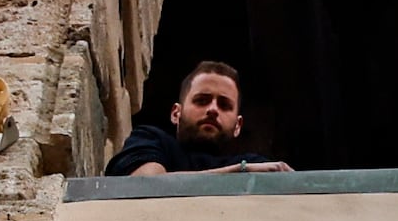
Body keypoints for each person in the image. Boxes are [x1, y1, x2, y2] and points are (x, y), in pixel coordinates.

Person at [106, 55, 287, 175]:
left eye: (224, 105)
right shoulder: (151, 140)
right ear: (176, 113)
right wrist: (241, 172)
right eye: (202, 100)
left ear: (238, 126)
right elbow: (149, 186)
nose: (213, 109)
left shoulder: (254, 162)